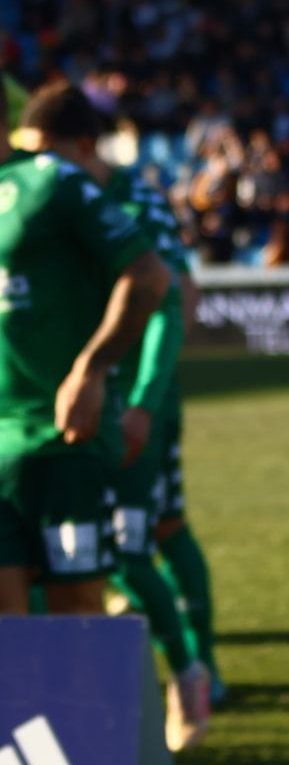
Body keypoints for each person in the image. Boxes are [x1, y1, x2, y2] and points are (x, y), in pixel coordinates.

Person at [16, 83, 215, 749]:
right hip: (53, 423)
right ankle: (49, 737)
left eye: (46, 154)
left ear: (83, 147)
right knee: (52, 579)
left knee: (133, 549)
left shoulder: (130, 201)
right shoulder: (36, 194)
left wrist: (141, 402)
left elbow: (171, 294)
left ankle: (190, 672)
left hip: (124, 411)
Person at [0, 92, 170, 618]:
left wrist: (91, 370)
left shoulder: (52, 180)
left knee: (75, 610)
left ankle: (189, 674)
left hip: (59, 439)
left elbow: (149, 275)